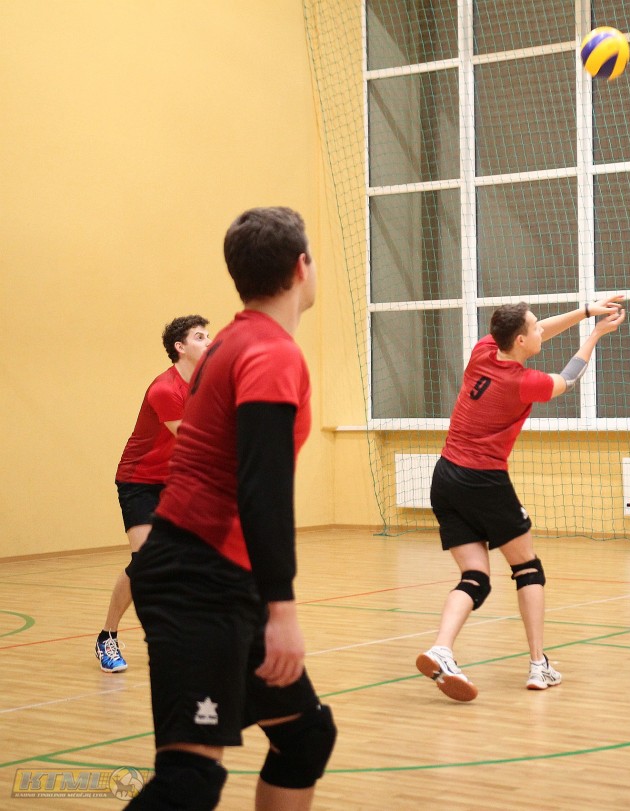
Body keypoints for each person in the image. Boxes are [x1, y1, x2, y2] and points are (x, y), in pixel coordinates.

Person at [125, 207, 335, 810]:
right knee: (189, 780)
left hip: (215, 575)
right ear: (301, 267)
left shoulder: (231, 341)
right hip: (199, 578)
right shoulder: (270, 352)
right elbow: (261, 486)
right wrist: (282, 609)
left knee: (304, 736)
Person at [417, 296, 626, 702]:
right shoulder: (522, 381)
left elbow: (543, 329)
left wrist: (586, 312)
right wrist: (595, 335)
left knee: (475, 578)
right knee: (528, 568)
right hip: (483, 481)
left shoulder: (484, 350)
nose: (540, 329)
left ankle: (441, 649)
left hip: (445, 478)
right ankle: (537, 665)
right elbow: (568, 378)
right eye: (534, 327)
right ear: (519, 340)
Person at [95, 316, 212, 674]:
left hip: (177, 481)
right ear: (180, 347)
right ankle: (107, 637)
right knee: (147, 562)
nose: (209, 341)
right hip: (140, 481)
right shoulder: (165, 389)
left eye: (209, 335)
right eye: (200, 337)